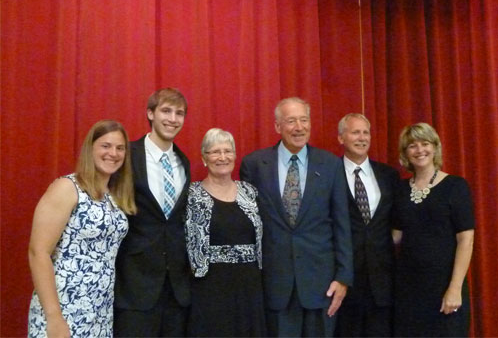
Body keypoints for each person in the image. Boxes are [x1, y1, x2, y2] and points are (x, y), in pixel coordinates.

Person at [240, 97, 353, 337]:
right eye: (291, 121)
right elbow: (247, 227)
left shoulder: (331, 164)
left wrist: (343, 277)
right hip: (274, 282)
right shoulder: (254, 165)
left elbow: (342, 224)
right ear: (277, 126)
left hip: (321, 284)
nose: (299, 127)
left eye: (304, 120)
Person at [27, 120, 136, 338]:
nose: (113, 153)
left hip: (100, 312)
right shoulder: (67, 188)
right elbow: (38, 252)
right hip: (64, 307)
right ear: (91, 148)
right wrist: (54, 316)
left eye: (120, 148)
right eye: (105, 146)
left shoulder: (114, 198)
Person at [114, 88, 191, 337]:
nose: (173, 119)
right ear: (150, 113)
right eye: (166, 111)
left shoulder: (184, 161)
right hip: (135, 285)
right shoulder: (126, 155)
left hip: (176, 289)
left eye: (179, 113)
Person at [392, 122, 475, 337]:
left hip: (444, 286)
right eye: (412, 146)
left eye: (425, 143)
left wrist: (455, 288)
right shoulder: (400, 189)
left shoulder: (455, 186)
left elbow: (466, 239)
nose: (420, 150)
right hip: (409, 289)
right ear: (405, 153)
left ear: (435, 147)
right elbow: (396, 237)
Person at [185, 128, 266, 337]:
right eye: (215, 152)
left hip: (249, 286)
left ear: (235, 155)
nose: (222, 157)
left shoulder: (250, 192)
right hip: (210, 288)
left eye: (227, 151)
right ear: (204, 158)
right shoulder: (192, 195)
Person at [335, 113, 400, 337]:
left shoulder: (389, 175)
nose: (362, 138)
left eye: (366, 132)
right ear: (341, 138)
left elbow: (397, 221)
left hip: (383, 282)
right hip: (344, 281)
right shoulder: (327, 174)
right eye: (355, 132)